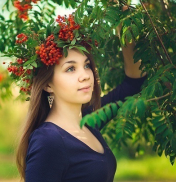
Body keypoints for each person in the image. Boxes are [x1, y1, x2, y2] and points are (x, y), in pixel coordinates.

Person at [12, 12, 148, 182]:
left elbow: (133, 84)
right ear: (48, 85)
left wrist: (122, 17)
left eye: (87, 65)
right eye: (70, 69)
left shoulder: (89, 121)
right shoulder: (48, 141)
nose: (85, 75)